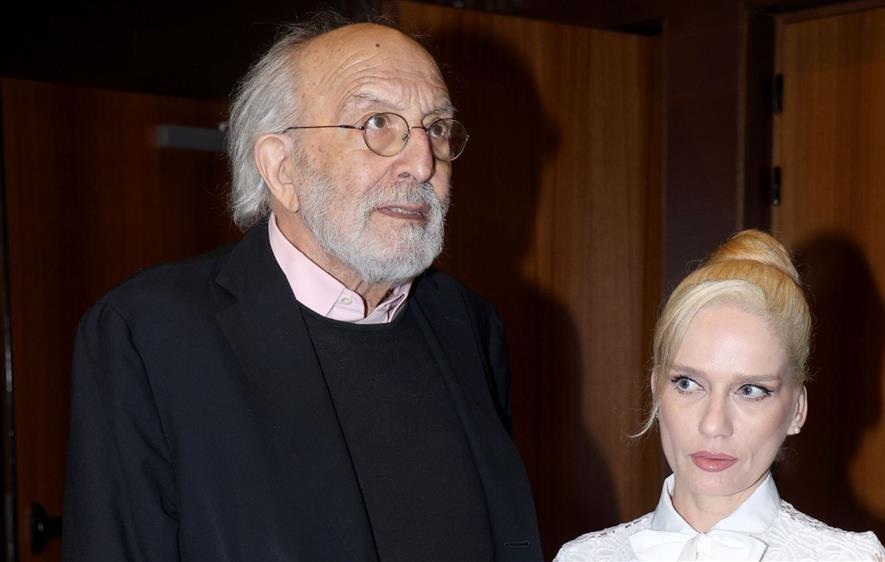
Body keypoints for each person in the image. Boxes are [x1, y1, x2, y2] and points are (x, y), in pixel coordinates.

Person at [62, 16, 541, 562]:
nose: (422, 162)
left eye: (435, 128)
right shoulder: (148, 336)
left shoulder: (469, 323)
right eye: (377, 122)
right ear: (282, 168)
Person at [555, 230, 885, 561]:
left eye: (750, 390)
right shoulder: (582, 558)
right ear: (656, 389)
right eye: (688, 383)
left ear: (797, 409)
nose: (714, 424)